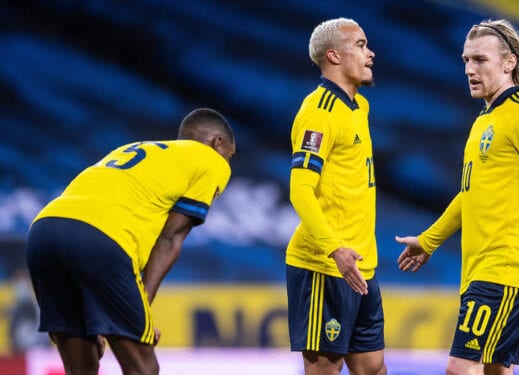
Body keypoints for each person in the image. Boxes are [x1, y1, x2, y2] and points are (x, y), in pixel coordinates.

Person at [396, 19, 519, 375]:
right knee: (494, 368)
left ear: (509, 63)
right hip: (481, 268)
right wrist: (429, 241)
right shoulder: (483, 121)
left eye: (480, 60)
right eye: (465, 60)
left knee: (460, 367)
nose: (469, 69)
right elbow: (469, 194)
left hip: (506, 267)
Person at [26, 108, 235, 374]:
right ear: (217, 143)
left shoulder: (138, 148)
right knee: (143, 368)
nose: (229, 162)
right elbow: (169, 240)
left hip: (44, 232)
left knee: (81, 368)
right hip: (99, 239)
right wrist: (141, 310)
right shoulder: (210, 159)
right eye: (231, 155)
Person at [285, 18, 386, 375]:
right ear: (334, 56)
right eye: (360, 45)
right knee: (326, 368)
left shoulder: (359, 108)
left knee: (372, 368)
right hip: (324, 265)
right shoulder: (319, 112)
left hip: (361, 265)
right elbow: (300, 189)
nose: (370, 53)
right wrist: (334, 248)